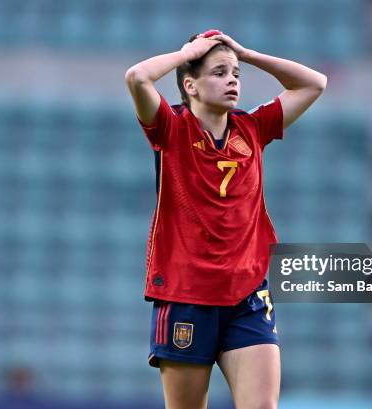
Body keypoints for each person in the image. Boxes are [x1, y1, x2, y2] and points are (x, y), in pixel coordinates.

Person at [124, 30, 327, 409]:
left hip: (247, 294)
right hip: (185, 295)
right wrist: (188, 52)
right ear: (191, 86)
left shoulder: (253, 127)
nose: (232, 80)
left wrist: (246, 54)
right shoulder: (171, 128)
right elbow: (137, 77)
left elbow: (314, 83)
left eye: (235, 73)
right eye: (218, 72)